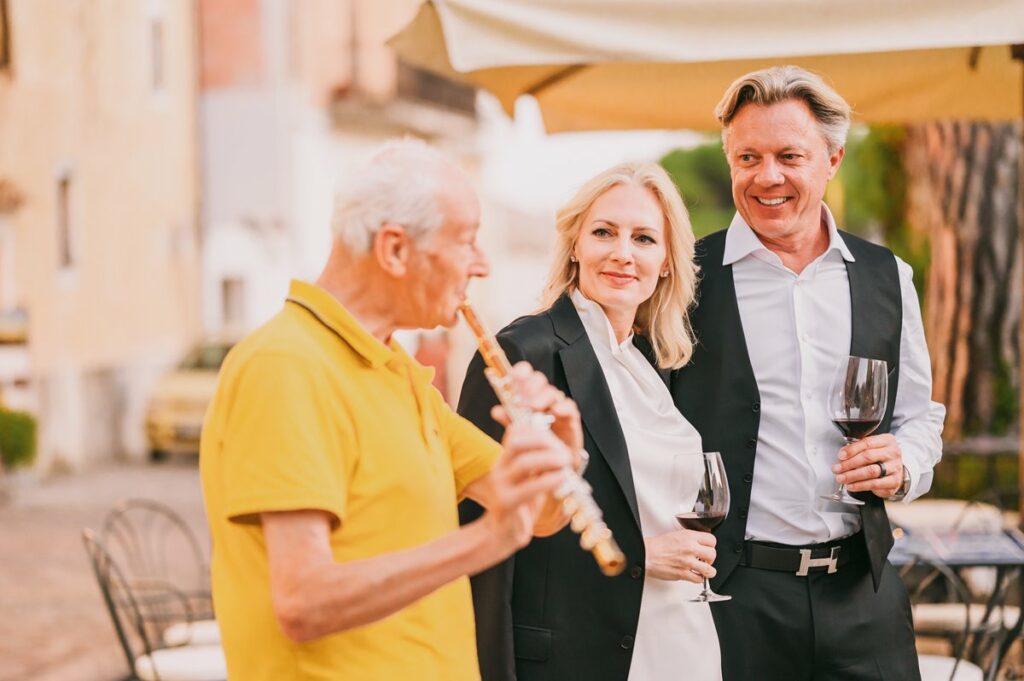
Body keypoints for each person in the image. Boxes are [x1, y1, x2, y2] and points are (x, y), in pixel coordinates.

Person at [199, 139, 586, 681]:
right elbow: (303, 601)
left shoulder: (395, 372)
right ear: (395, 251)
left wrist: (563, 458)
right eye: (466, 241)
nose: (482, 264)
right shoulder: (285, 366)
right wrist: (482, 541)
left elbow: (539, 518)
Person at [671, 65, 946, 680]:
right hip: (729, 600)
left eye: (789, 155)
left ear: (832, 159)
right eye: (748, 157)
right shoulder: (683, 278)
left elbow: (919, 415)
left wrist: (902, 464)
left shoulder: (887, 276)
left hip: (862, 591)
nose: (767, 177)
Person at [459, 162, 722, 681]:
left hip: (680, 643)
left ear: (666, 261)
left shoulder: (651, 363)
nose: (623, 253)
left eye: (644, 238)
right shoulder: (523, 351)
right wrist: (640, 556)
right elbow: (485, 527)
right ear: (575, 245)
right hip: (581, 654)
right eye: (604, 232)